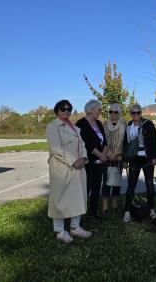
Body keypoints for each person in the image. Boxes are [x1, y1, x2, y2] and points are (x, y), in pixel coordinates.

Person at [46, 99, 92, 243]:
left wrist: (84, 158)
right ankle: (59, 230)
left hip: (78, 167)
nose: (66, 111)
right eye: (63, 109)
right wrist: (73, 161)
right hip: (62, 168)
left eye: (69, 109)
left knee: (77, 197)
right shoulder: (52, 127)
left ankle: (75, 227)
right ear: (57, 110)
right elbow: (56, 149)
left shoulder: (74, 127)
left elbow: (83, 144)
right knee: (59, 199)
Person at [122, 104, 156, 222]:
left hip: (147, 158)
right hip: (134, 159)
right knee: (131, 185)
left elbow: (154, 140)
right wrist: (125, 160)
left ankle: (152, 209)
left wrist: (155, 157)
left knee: (149, 184)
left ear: (141, 113)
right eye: (133, 113)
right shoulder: (128, 125)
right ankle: (127, 211)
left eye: (138, 112)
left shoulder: (148, 124)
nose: (136, 115)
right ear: (130, 114)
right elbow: (125, 144)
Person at [76, 100, 108, 218]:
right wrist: (101, 155)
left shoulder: (99, 123)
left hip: (100, 162)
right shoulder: (81, 124)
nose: (100, 112)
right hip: (88, 161)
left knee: (96, 187)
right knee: (86, 187)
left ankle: (93, 213)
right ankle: (79, 213)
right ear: (91, 109)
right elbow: (87, 144)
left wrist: (104, 152)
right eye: (99, 109)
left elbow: (104, 140)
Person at [102, 103, 126, 215]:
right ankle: (105, 207)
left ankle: (115, 205)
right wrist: (109, 153)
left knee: (116, 182)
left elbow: (126, 142)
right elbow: (102, 141)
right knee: (106, 182)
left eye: (115, 112)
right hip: (107, 156)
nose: (113, 114)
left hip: (119, 157)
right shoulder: (104, 124)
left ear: (119, 113)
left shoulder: (124, 124)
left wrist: (117, 154)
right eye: (110, 111)